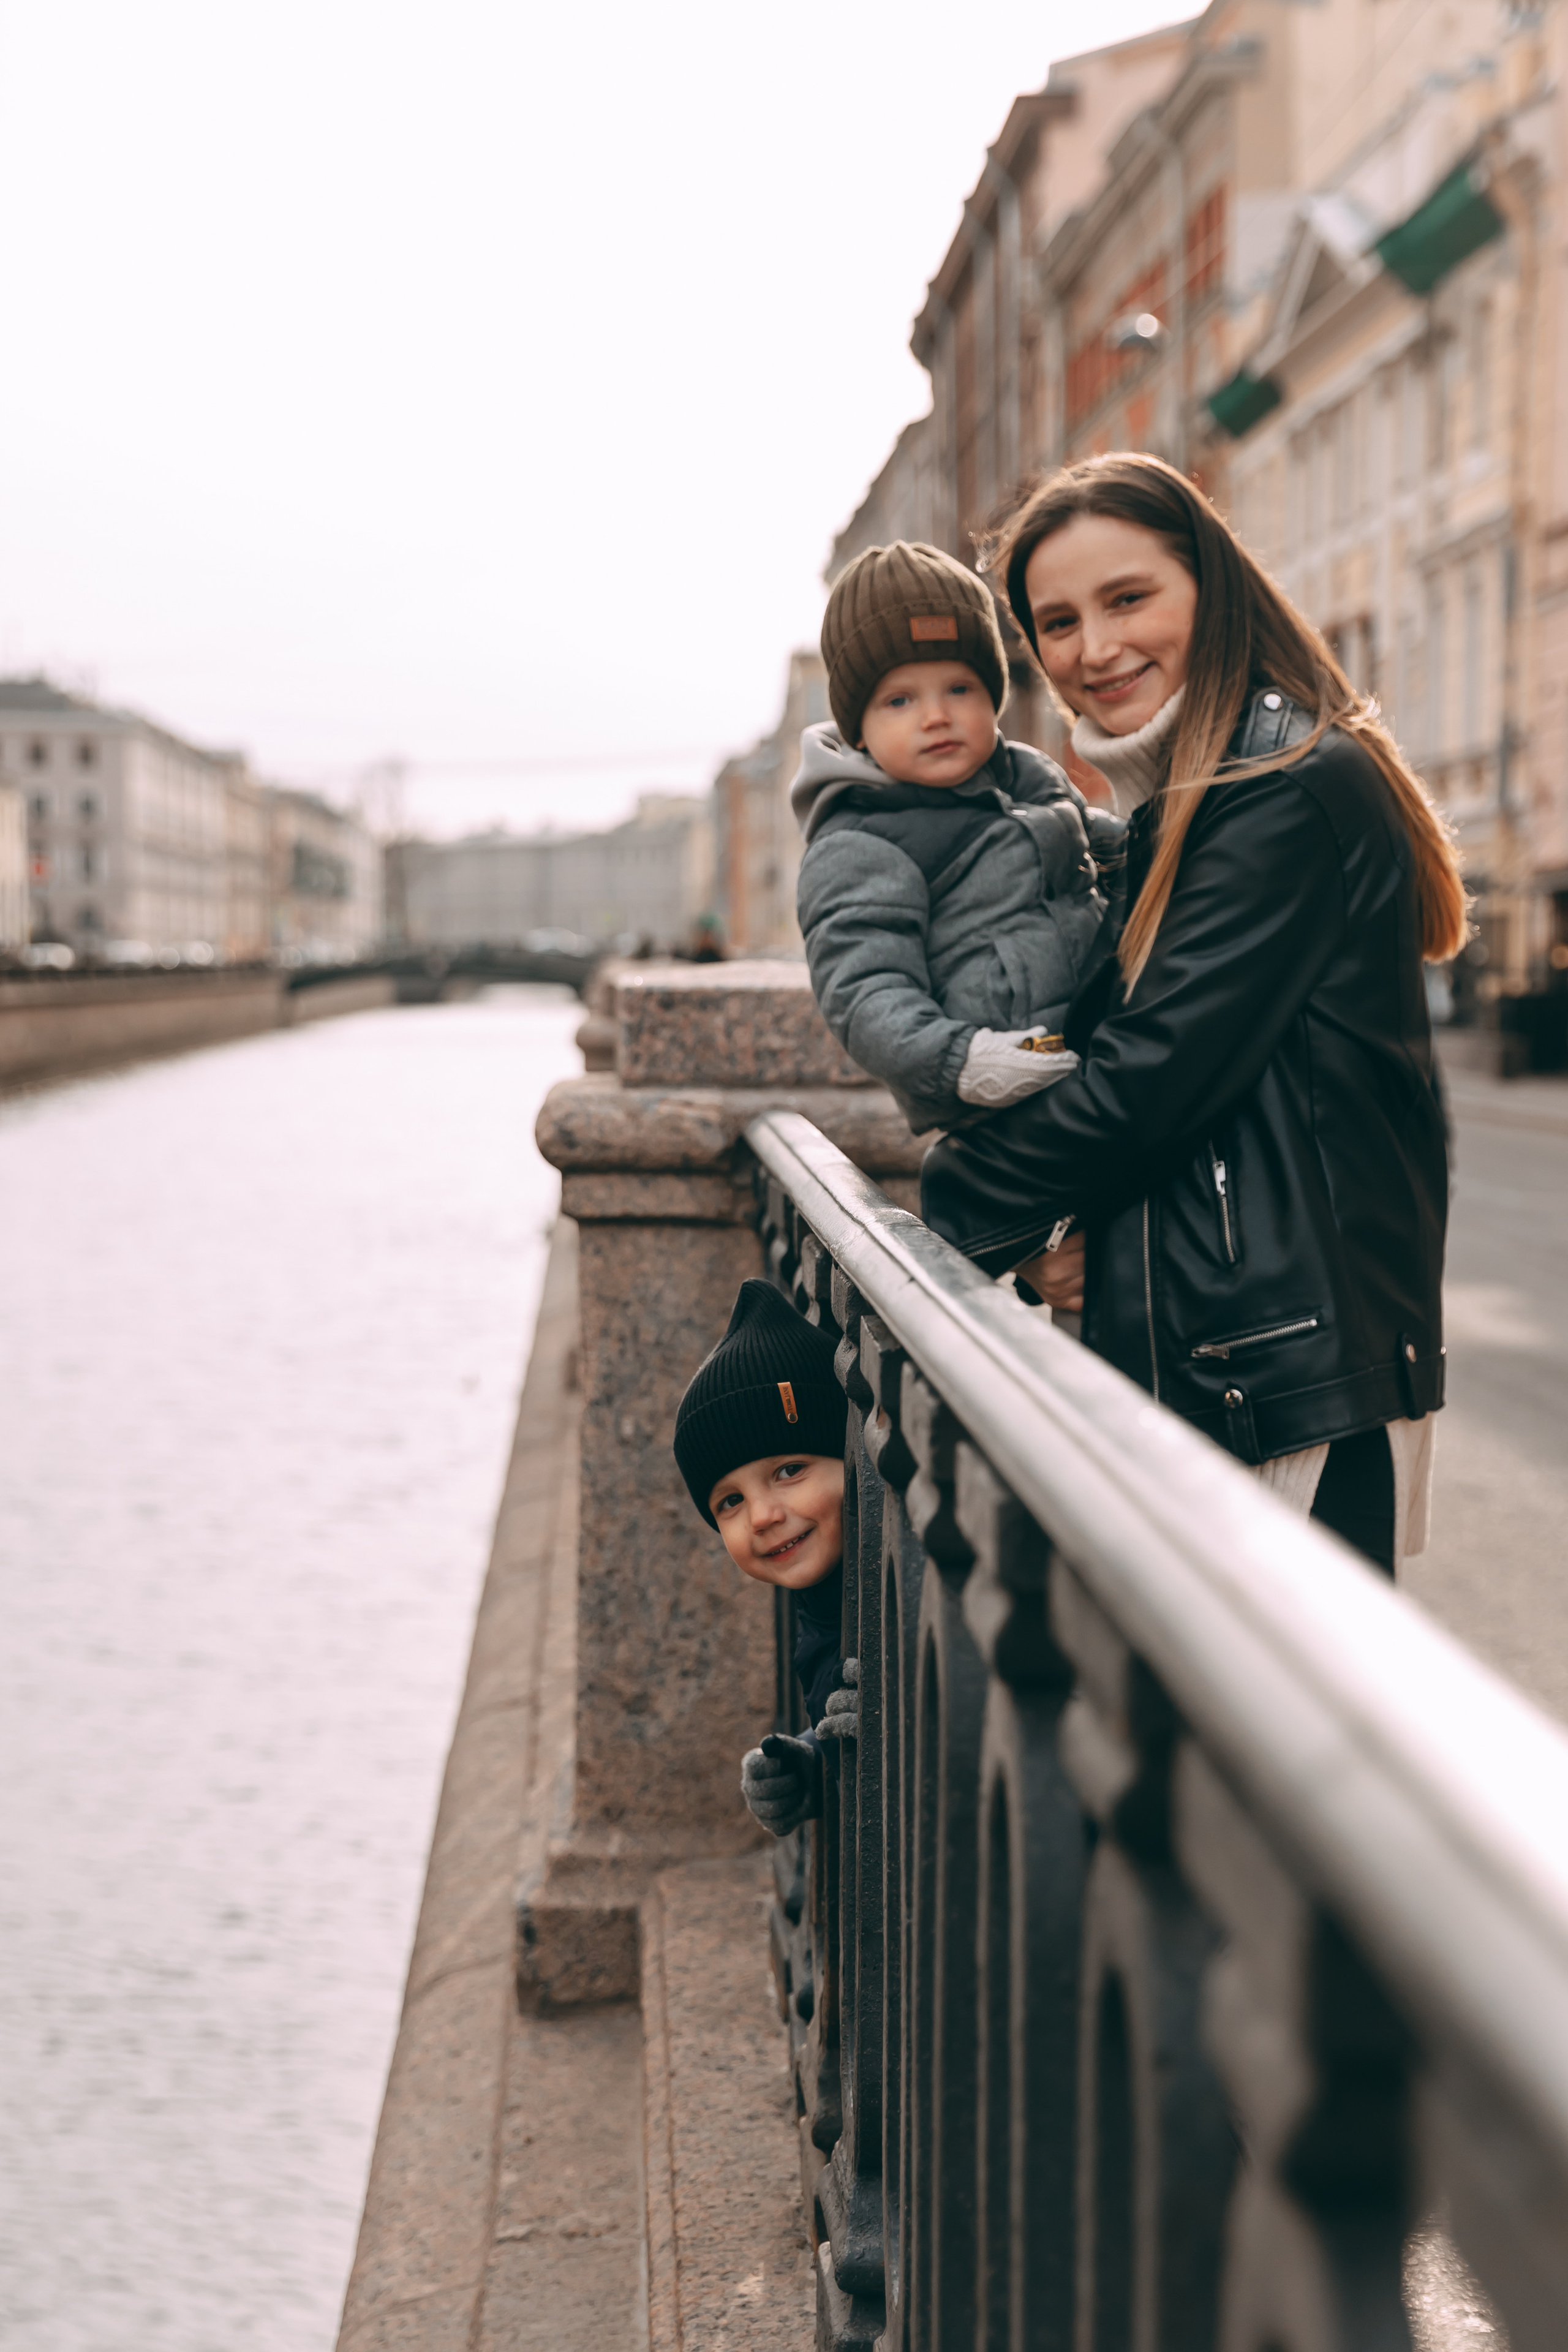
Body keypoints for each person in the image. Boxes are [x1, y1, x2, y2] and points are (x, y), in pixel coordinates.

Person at [922, 454, 1468, 1575]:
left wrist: (964, 1196)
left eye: (1129, 598)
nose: (1094, 648)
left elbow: (1148, 1078)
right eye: (1056, 622)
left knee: (1278, 1737)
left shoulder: (1274, 788)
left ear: (1209, 590)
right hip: (1256, 1356)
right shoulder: (1197, 792)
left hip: (1284, 1380)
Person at [792, 539, 1123, 1137]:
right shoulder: (863, 843)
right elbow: (865, 991)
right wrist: (959, 1061)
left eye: (959, 689)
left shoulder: (1029, 774)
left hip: (1102, 1062)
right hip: (998, 1107)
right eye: (899, 700)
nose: (935, 716)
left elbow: (1092, 852)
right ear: (858, 729)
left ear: (992, 697)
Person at [673, 1278, 858, 1836]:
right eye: (731, 1501)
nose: (762, 1516)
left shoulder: (923, 1574)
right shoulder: (825, 1603)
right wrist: (812, 1767)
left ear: (854, 1461)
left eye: (789, 1471)